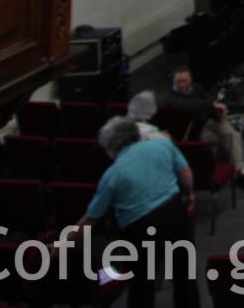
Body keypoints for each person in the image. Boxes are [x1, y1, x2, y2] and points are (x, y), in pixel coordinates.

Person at [71, 116, 200, 308]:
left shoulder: (112, 174)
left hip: (141, 229)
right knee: (184, 276)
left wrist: (64, 242)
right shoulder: (161, 145)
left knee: (141, 286)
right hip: (175, 214)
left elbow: (91, 219)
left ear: (111, 147)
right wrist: (189, 195)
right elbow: (186, 173)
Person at [159, 66, 244, 182]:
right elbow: (188, 105)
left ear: (190, 79)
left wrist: (217, 111)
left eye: (184, 81)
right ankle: (239, 172)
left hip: (207, 121)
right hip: (194, 131)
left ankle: (241, 170)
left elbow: (207, 101)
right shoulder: (171, 97)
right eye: (178, 82)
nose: (181, 85)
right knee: (230, 137)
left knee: (230, 133)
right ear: (173, 81)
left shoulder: (197, 88)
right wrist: (212, 106)